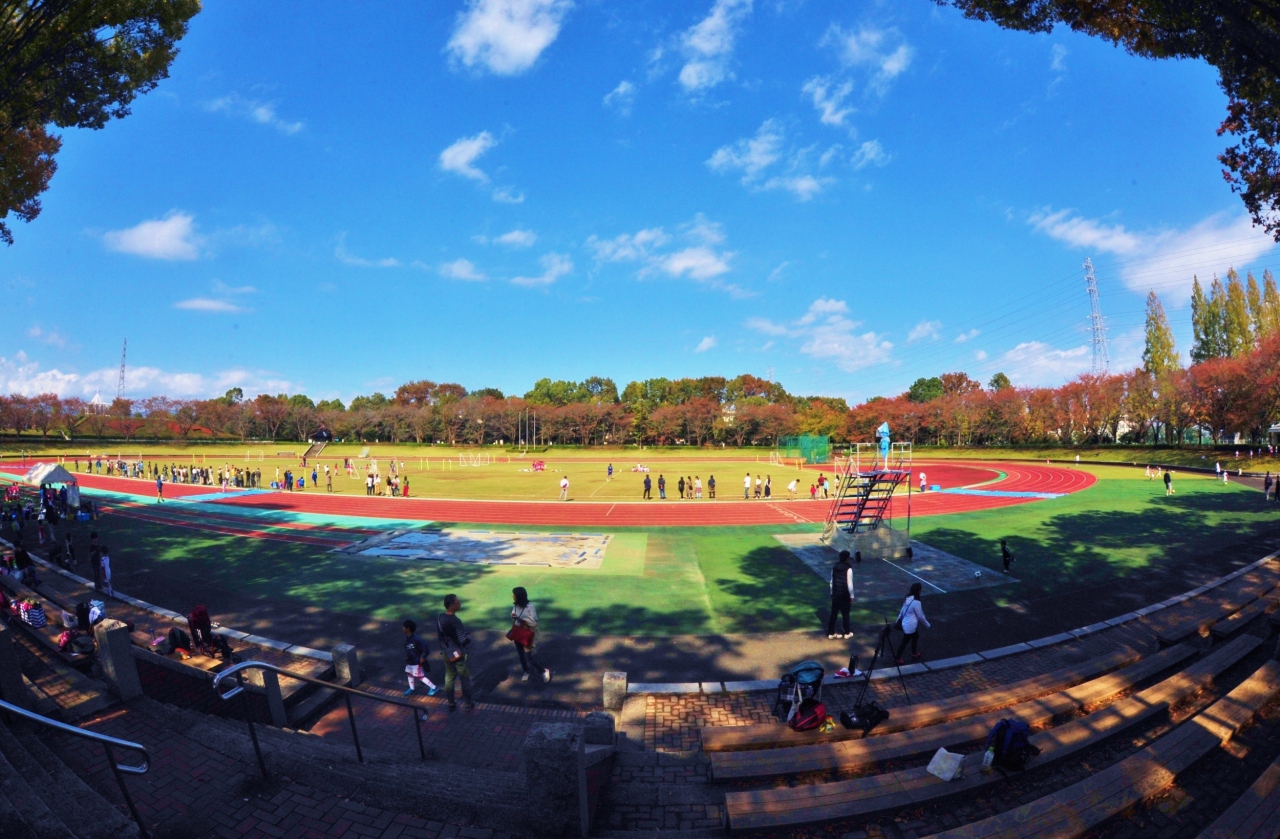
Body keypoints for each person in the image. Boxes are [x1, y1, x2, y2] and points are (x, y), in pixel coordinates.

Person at [436, 595, 475, 712]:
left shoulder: (440, 617)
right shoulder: (455, 621)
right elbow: (462, 639)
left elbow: (441, 636)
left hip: (446, 652)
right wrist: (468, 637)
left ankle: (451, 702)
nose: (460, 603)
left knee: (449, 676)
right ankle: (468, 703)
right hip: (458, 653)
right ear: (452, 605)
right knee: (464, 678)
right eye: (458, 602)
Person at [510, 587, 551, 683]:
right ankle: (526, 672)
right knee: (521, 655)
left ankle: (544, 671)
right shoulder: (516, 605)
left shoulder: (530, 606)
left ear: (519, 596)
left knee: (529, 658)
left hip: (527, 633)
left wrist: (522, 620)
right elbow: (513, 613)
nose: (513, 596)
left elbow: (534, 621)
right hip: (518, 632)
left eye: (514, 595)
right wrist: (513, 615)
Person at [894, 583, 930, 664]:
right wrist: (927, 625)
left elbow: (902, 611)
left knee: (915, 636)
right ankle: (898, 657)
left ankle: (914, 653)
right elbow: (920, 616)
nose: (921, 590)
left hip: (906, 624)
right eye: (921, 589)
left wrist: (897, 620)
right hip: (910, 626)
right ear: (918, 591)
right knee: (905, 641)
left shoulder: (908, 598)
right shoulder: (916, 602)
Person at [402, 619, 439, 696]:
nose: (402, 629)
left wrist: (423, 657)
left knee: (420, 676)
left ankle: (434, 687)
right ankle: (412, 689)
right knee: (409, 673)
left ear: (408, 628)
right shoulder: (407, 639)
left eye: (404, 627)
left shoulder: (416, 639)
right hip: (409, 661)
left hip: (416, 661)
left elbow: (425, 648)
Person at [827, 550, 854, 639]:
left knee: (833, 614)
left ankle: (831, 633)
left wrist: (832, 593)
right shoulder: (848, 568)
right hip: (844, 595)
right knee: (845, 614)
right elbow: (849, 584)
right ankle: (847, 632)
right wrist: (852, 596)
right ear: (847, 558)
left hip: (835, 594)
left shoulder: (834, 567)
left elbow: (831, 582)